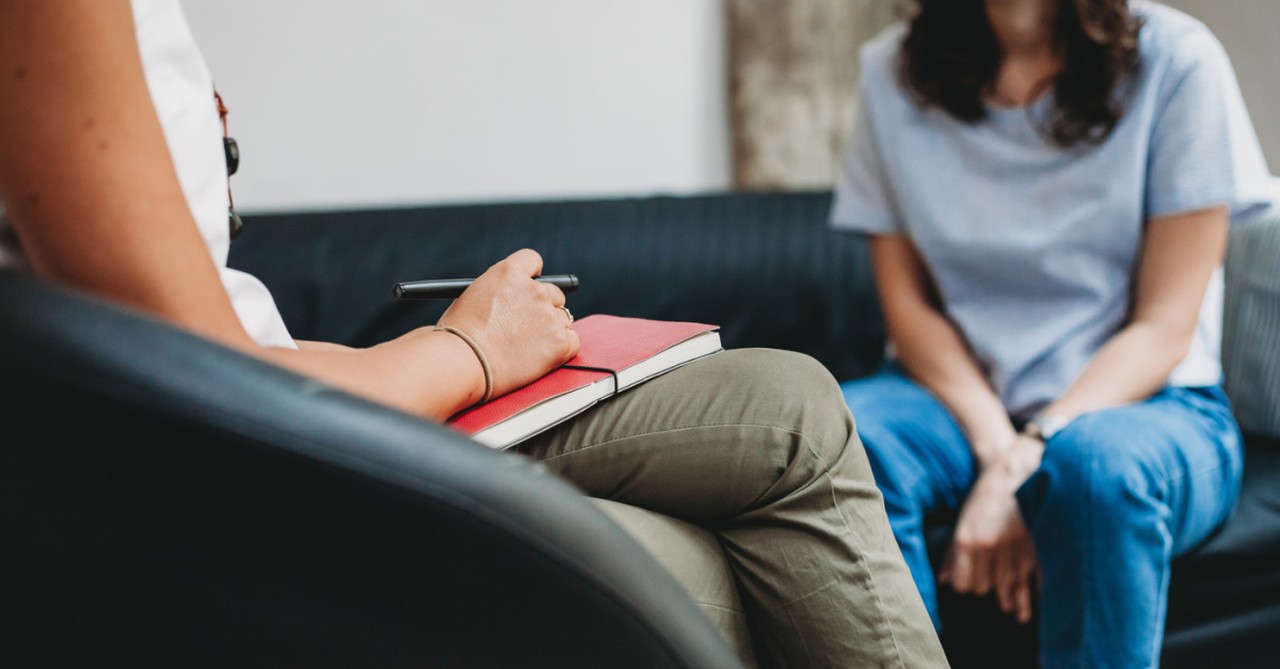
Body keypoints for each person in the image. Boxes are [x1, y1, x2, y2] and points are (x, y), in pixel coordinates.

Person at [0, 1, 948, 666]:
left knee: (789, 401)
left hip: (274, 404)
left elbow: (221, 323)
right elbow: (192, 374)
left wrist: (420, 357)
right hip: (225, 475)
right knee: (702, 570)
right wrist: (466, 352)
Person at [831, 0, 1272, 667]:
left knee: (1094, 467)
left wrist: (1035, 447)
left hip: (1145, 401)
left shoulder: (1180, 62)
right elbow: (911, 313)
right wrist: (998, 449)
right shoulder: (890, 73)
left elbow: (1164, 325)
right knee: (833, 440)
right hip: (953, 403)